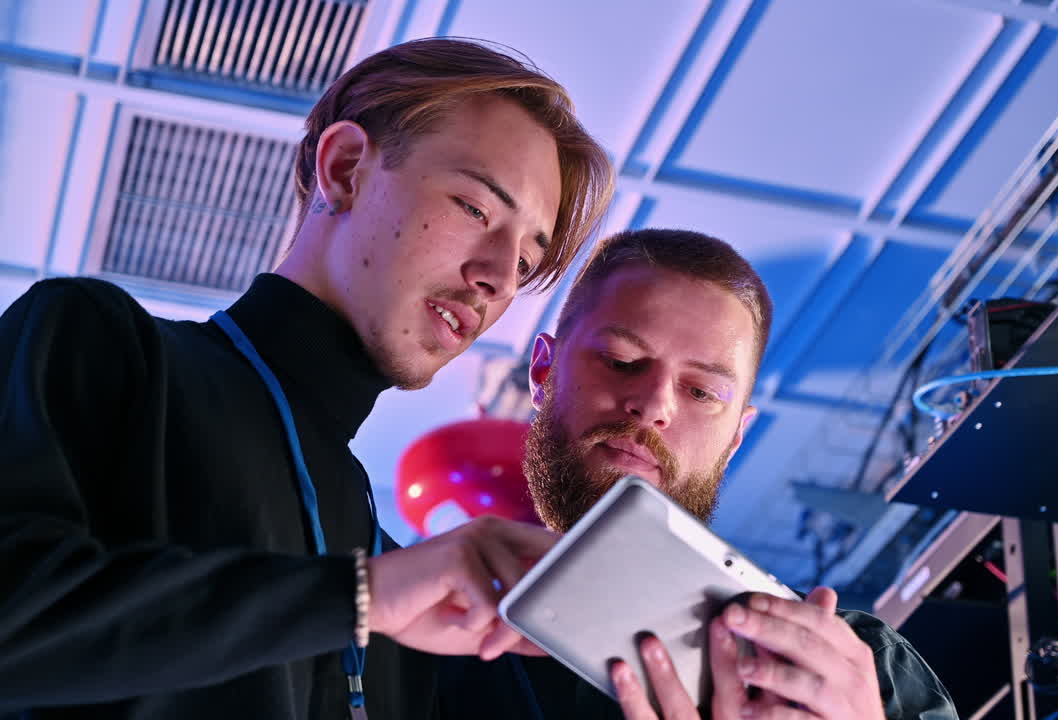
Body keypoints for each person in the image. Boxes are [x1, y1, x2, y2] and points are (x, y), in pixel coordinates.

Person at [0, 38, 612, 719]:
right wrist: (359, 599)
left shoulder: (400, 573)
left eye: (528, 261)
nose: (498, 277)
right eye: (475, 209)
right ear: (345, 168)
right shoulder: (103, 344)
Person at [439, 229, 958, 719]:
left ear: (735, 438)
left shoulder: (861, 672)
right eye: (621, 361)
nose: (653, 405)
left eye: (702, 392)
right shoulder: (425, 636)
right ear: (544, 374)